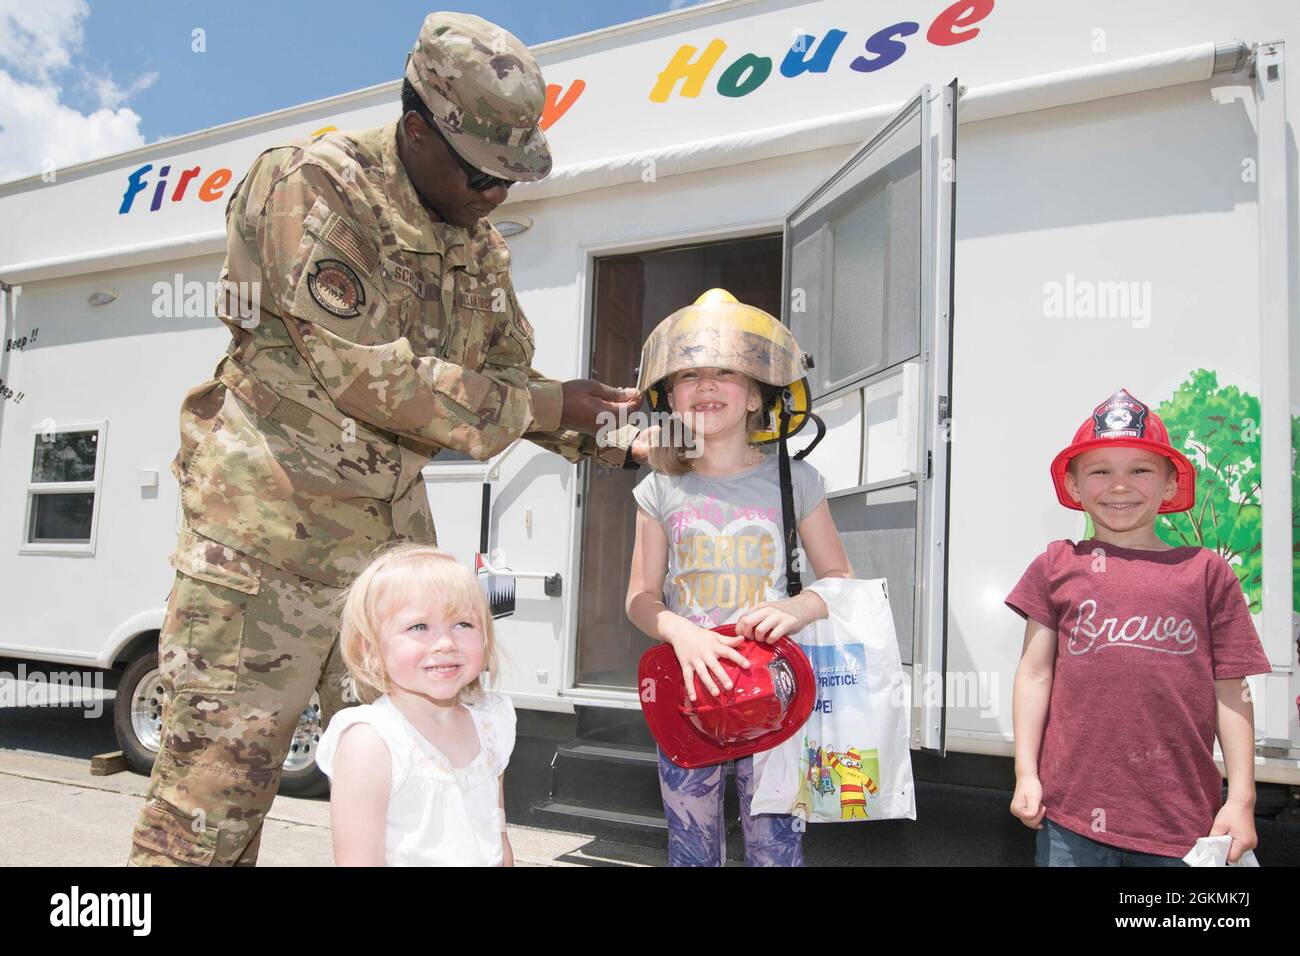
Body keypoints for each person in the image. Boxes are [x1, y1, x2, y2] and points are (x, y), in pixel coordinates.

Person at [128, 12, 643, 866]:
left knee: (432, 789)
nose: (495, 198)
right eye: (483, 175)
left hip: (390, 569)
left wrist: (643, 437)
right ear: (417, 130)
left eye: (511, 179)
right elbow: (371, 376)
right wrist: (559, 409)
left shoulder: (475, 247)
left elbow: (518, 384)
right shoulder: (313, 186)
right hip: (265, 546)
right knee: (214, 803)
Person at [625, 289, 852, 866]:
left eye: (726, 372)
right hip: (689, 693)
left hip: (778, 695)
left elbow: (839, 579)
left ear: (756, 395)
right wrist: (682, 632)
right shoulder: (658, 488)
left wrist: (800, 609)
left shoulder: (796, 480)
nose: (706, 385)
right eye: (690, 374)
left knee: (775, 849)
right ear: (668, 397)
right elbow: (640, 599)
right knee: (690, 849)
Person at [1005, 388, 1271, 866]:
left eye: (1140, 470)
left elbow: (1233, 690)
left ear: (1170, 485)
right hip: (1070, 823)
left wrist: (1241, 800)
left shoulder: (1206, 572)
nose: (1120, 486)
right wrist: (1027, 772)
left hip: (1181, 825)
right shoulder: (1055, 564)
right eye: (1101, 470)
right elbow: (1034, 674)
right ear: (1075, 485)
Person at [314, 544, 513, 866]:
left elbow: (498, 835)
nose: (446, 643)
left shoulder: (492, 724)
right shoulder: (372, 742)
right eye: (419, 627)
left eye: (463, 624)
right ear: (371, 649)